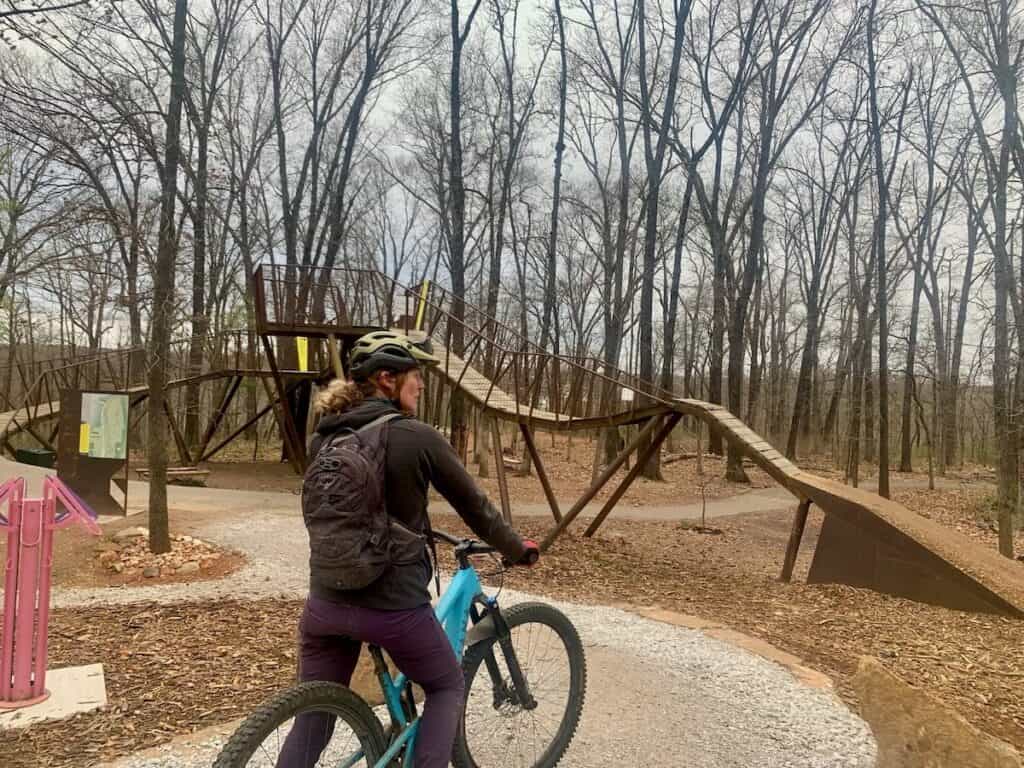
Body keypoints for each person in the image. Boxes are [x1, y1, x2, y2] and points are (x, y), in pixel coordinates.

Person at [280, 330, 539, 768]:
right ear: (386, 379)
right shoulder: (417, 436)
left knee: (314, 718)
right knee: (446, 685)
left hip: (325, 601)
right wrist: (518, 549)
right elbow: (477, 509)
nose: (420, 386)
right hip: (391, 606)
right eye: (415, 377)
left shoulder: (323, 439)